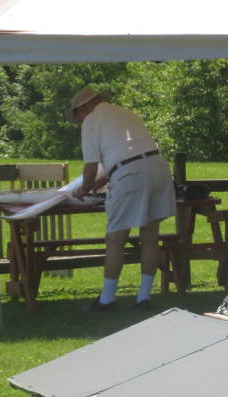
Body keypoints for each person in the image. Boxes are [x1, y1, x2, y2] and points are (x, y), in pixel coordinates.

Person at [67, 86, 177, 312]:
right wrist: (95, 186)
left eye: (77, 115)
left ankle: (107, 300)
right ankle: (143, 298)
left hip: (131, 174)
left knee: (115, 239)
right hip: (158, 168)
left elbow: (90, 168)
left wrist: (84, 189)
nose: (79, 121)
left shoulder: (91, 120)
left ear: (84, 107)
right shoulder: (126, 113)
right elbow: (126, 158)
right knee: (150, 236)